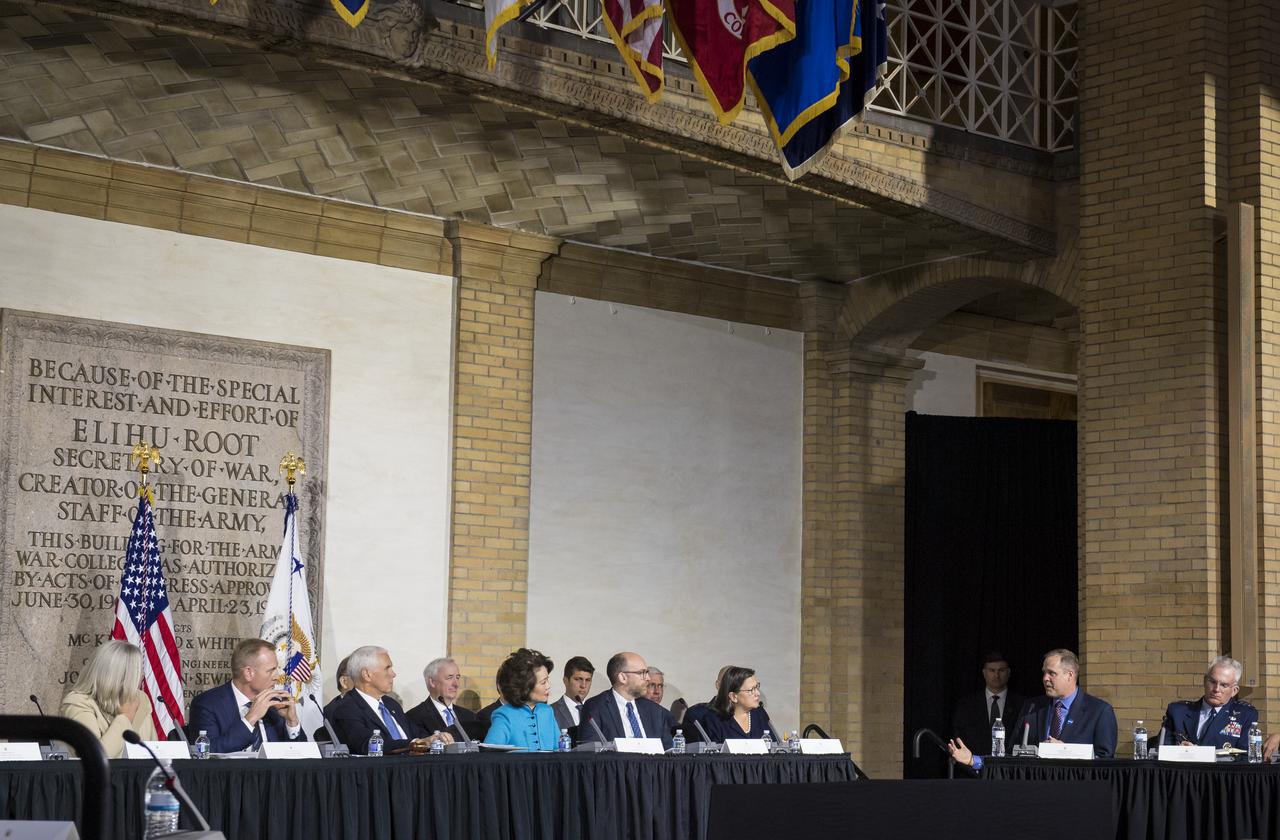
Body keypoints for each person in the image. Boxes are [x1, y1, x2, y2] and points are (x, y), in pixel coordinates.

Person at [949, 648, 1117, 769]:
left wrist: (1066, 752)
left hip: (1077, 798)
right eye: (1044, 672)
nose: (1045, 678)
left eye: (1052, 673)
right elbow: (1011, 755)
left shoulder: (1099, 712)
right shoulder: (1032, 707)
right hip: (1036, 795)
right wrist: (974, 760)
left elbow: (1105, 763)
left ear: (1070, 675)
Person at [188, 638, 308, 752]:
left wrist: (292, 722)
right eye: (271, 670)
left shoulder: (276, 705)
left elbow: (303, 758)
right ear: (248, 673)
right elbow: (208, 751)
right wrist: (251, 718)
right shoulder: (207, 705)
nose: (277, 677)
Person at [328, 646, 451, 754]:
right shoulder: (347, 708)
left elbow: (417, 734)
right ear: (366, 675)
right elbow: (366, 744)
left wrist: (437, 738)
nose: (393, 674)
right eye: (387, 668)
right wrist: (415, 744)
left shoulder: (391, 704)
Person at [60, 639, 157, 758]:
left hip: (140, 776)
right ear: (120, 677)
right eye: (137, 671)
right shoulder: (77, 702)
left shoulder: (140, 698)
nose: (142, 675)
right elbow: (94, 757)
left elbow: (155, 752)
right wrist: (125, 718)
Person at [577, 651, 675, 750]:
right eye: (642, 673)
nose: (648, 678)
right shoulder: (596, 707)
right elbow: (590, 755)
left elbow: (670, 753)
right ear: (623, 677)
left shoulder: (656, 711)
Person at [1161, 656, 1256, 750]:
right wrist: (1179, 751)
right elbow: (1161, 749)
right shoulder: (1178, 712)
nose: (1216, 689)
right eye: (1212, 682)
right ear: (1204, 681)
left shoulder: (1245, 715)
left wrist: (1201, 753)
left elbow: (1245, 757)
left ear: (1234, 691)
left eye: (1224, 685)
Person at [951, 652, 1025, 757]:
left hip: (1010, 768)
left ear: (1009, 673)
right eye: (992, 670)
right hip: (973, 768)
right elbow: (959, 738)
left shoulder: (1022, 704)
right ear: (984, 673)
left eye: (1001, 670)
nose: (996, 675)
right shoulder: (966, 705)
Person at [484, 648, 560, 750]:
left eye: (547, 680)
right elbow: (489, 754)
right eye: (543, 682)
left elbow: (560, 750)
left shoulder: (547, 711)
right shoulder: (505, 714)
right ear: (525, 686)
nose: (548, 686)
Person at [407, 657, 486, 741]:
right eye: (450, 677)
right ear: (432, 682)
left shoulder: (469, 716)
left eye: (457, 677)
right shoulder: (414, 717)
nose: (456, 684)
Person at [699, 666, 777, 741]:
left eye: (757, 687)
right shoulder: (714, 720)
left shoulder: (759, 713)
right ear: (733, 696)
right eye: (751, 690)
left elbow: (773, 745)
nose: (758, 693)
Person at [683, 665, 731, 742]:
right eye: (729, 684)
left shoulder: (751, 716)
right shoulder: (696, 714)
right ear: (718, 685)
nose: (733, 689)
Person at [551, 656, 594, 737]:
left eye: (588, 680)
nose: (583, 685)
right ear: (566, 681)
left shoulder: (595, 711)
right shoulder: (551, 711)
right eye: (578, 679)